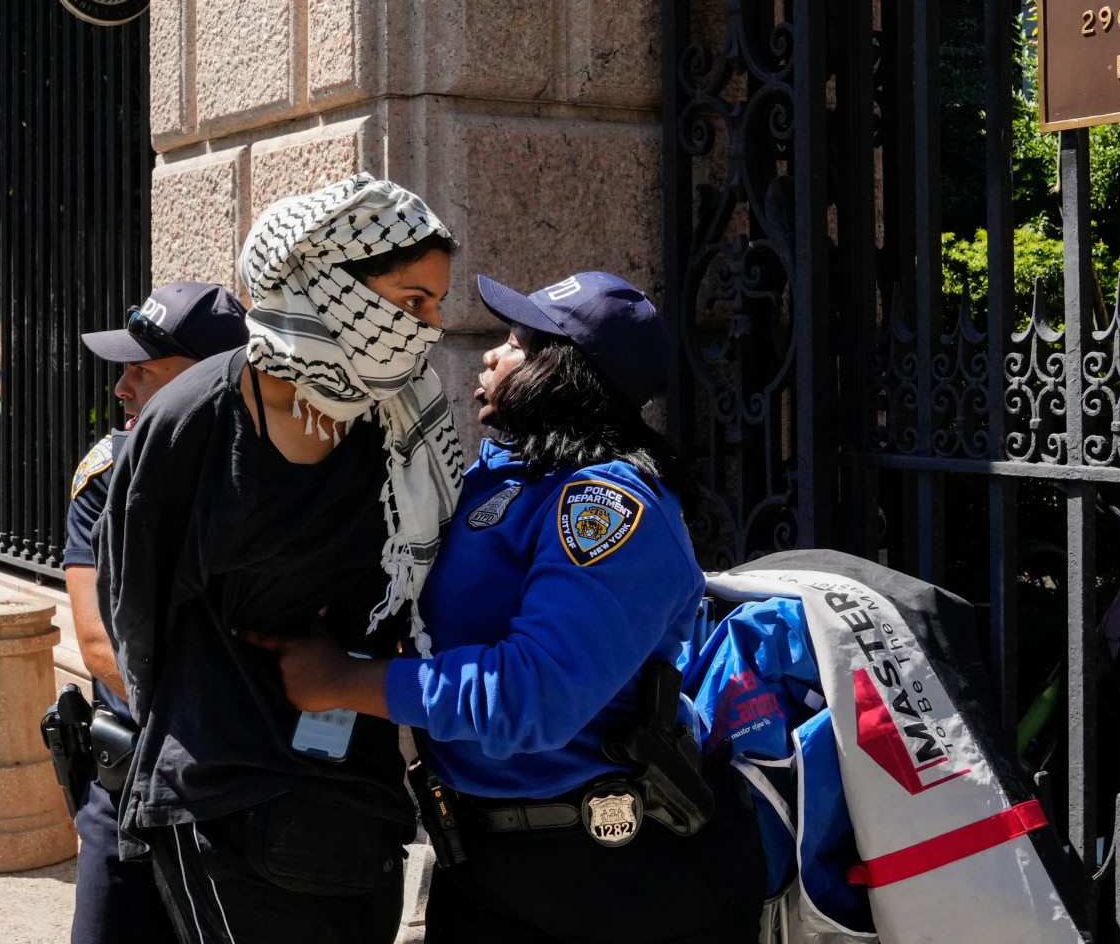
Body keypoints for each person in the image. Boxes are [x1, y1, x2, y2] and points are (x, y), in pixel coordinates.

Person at [251, 271, 766, 944]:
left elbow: (534, 697)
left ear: (566, 373)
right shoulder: (507, 476)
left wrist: (345, 684)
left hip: (612, 881)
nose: (492, 353)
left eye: (518, 342)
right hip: (486, 861)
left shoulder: (606, 505)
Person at [97, 174, 465, 944]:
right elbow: (133, 601)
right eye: (411, 302)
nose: (429, 330)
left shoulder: (401, 424)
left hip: (355, 796)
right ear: (333, 284)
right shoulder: (193, 418)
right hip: (221, 792)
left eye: (436, 304)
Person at [64, 281, 249, 944]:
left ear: (206, 381)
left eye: (144, 370)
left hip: (245, 792)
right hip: (132, 786)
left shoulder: (266, 476)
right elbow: (95, 643)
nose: (122, 388)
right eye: (125, 369)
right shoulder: (108, 474)